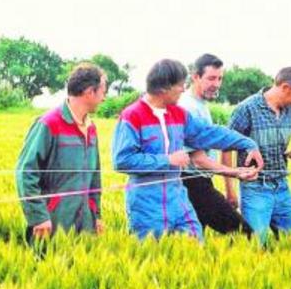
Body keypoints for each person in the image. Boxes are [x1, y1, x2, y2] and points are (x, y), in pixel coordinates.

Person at [112, 59, 263, 241]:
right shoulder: (132, 116)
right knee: (154, 259)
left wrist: (247, 143)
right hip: (146, 205)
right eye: (180, 85)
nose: (183, 90)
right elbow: (122, 160)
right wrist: (168, 161)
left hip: (179, 199)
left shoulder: (179, 114)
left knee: (194, 250)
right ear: (165, 87)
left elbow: (209, 133)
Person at [223, 66, 291, 244]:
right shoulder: (247, 109)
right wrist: (230, 190)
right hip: (255, 188)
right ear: (284, 88)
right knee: (255, 245)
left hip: (282, 187)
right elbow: (227, 147)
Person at [16, 63, 107, 243]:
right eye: (103, 91)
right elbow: (25, 172)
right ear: (90, 92)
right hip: (52, 223)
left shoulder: (91, 128)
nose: (104, 98)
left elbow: (95, 178)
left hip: (85, 225)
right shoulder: (48, 124)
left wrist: (96, 215)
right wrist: (38, 217)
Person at [178, 53, 255, 236]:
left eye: (220, 78)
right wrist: (235, 172)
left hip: (201, 182)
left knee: (195, 243)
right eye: (211, 78)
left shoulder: (200, 104)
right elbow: (198, 160)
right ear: (195, 76)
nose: (217, 84)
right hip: (192, 183)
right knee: (244, 234)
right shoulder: (189, 107)